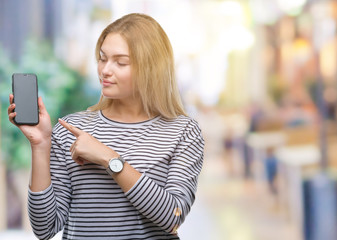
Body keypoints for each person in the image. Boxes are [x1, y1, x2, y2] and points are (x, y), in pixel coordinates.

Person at [8, 13, 204, 240]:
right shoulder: (71, 128)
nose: (105, 70)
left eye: (120, 62)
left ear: (152, 67)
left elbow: (172, 216)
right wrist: (41, 145)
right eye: (102, 58)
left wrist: (109, 159)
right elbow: (44, 228)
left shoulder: (183, 131)